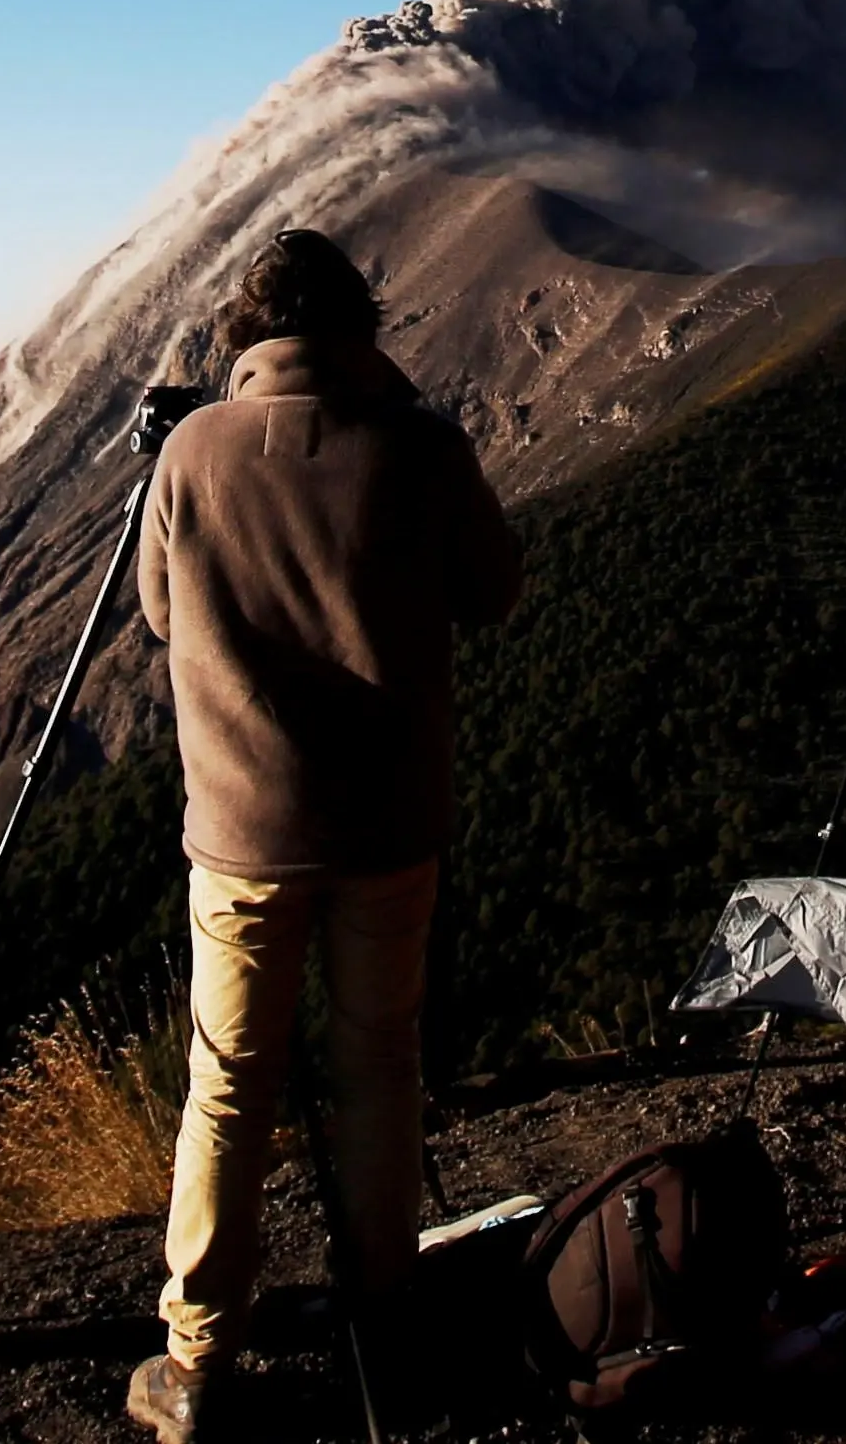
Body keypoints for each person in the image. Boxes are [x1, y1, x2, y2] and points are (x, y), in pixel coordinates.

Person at [129, 226, 524, 1444]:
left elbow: (156, 612)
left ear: (250, 337)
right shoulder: (418, 448)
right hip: (387, 831)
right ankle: (384, 1315)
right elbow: (493, 591)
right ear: (361, 331)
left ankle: (197, 1363)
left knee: (228, 1086)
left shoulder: (192, 452)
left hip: (243, 838)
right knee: (378, 1069)